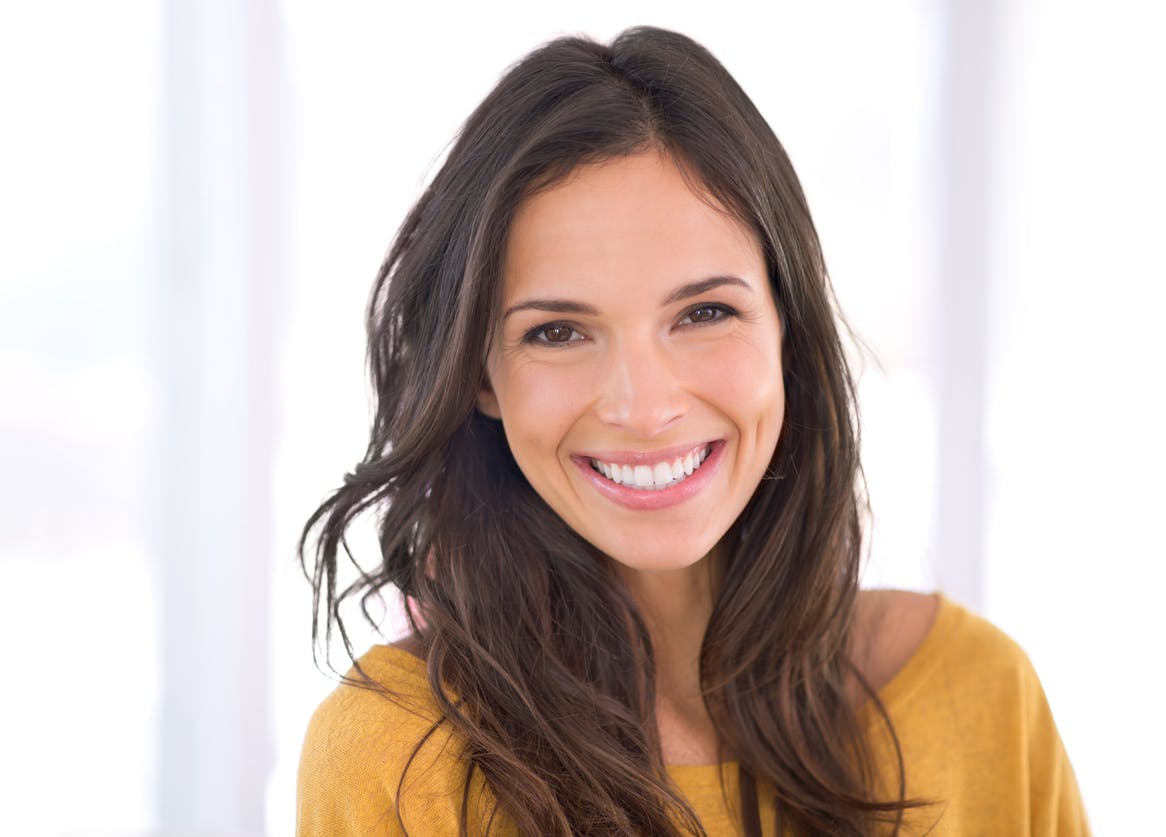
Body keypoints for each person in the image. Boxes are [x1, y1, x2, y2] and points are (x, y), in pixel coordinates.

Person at [297, 26, 1088, 836]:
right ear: (479, 376)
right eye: (558, 332)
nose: (644, 409)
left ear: (787, 327)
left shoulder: (979, 694)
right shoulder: (394, 759)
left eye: (705, 312)